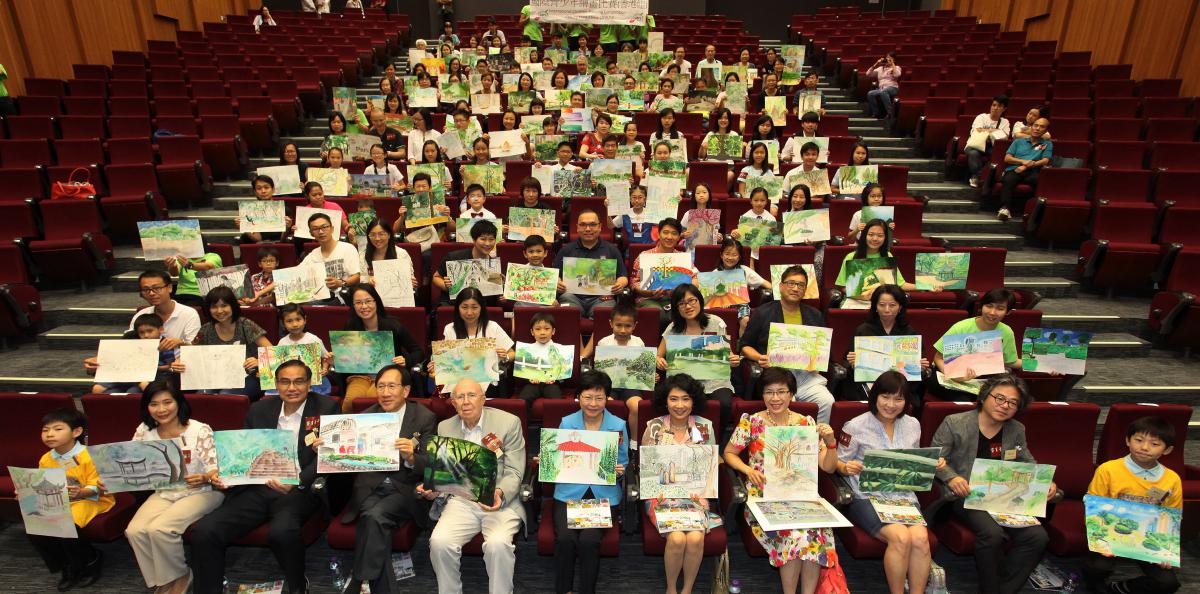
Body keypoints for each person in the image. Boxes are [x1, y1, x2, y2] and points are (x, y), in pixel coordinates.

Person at [191, 360, 338, 594]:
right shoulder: (259, 409)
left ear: (309, 384)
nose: (292, 388)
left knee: (281, 532)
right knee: (205, 531)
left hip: (297, 490)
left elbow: (329, 456)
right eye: (285, 382)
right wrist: (228, 475)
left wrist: (298, 482)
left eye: (299, 381)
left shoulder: (326, 408)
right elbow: (245, 453)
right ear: (276, 384)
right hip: (257, 487)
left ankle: (298, 587)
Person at [929, 374, 1052, 594]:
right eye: (1000, 398)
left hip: (1003, 497)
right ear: (985, 396)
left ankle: (1003, 589)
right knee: (992, 534)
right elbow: (935, 458)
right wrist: (952, 477)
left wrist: (1044, 481)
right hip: (966, 495)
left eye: (1013, 402)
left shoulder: (1016, 429)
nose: (1005, 406)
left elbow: (1027, 462)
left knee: (1037, 537)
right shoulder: (955, 422)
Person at [725, 366, 839, 594]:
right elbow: (729, 453)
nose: (775, 398)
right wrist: (747, 470)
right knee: (794, 536)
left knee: (814, 535)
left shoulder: (806, 424)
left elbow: (827, 466)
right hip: (763, 496)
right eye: (769, 392)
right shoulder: (751, 422)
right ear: (762, 394)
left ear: (791, 394)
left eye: (781, 392)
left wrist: (831, 442)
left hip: (802, 495)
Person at [332, 365, 437, 594]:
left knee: (373, 516)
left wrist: (411, 457)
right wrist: (329, 449)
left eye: (391, 386)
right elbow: (347, 461)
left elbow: (432, 463)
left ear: (405, 390)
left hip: (406, 488)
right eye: (381, 386)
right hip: (371, 486)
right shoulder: (364, 418)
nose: (385, 392)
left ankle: (358, 579)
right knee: (374, 519)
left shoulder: (424, 417)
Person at [111, 383, 222, 594]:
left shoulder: (199, 430)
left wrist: (205, 477)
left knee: (160, 528)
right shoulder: (145, 431)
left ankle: (181, 575)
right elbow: (130, 462)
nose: (161, 409)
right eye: (154, 404)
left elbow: (215, 469)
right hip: (165, 491)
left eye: (167, 402)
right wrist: (113, 478)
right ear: (147, 407)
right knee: (134, 530)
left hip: (202, 491)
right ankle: (164, 578)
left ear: (179, 403)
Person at [834, 371, 938, 594]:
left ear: (906, 401)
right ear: (875, 396)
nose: (891, 405)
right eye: (886, 397)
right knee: (900, 537)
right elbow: (838, 463)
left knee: (920, 538)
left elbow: (913, 461)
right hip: (867, 497)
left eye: (898, 399)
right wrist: (846, 467)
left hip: (903, 496)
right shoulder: (855, 425)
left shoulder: (913, 424)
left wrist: (931, 464)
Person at [422, 378, 526, 594]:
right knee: (440, 542)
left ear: (483, 399)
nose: (466, 402)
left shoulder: (508, 423)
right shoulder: (445, 426)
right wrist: (434, 489)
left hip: (500, 500)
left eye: (471, 395)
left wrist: (499, 493)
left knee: (498, 545)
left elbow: (515, 471)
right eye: (460, 397)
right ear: (453, 403)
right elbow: (446, 473)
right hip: (462, 500)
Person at [1083, 415, 1182, 594]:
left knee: (1168, 583)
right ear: (1128, 440)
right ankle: (1095, 585)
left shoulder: (1172, 479)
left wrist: (1167, 551)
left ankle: (1123, 588)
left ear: (1167, 450)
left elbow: (1171, 517)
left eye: (1154, 444)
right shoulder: (1108, 469)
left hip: (1147, 538)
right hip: (1109, 534)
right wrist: (1101, 541)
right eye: (1139, 440)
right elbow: (1094, 508)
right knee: (1097, 568)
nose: (1144, 447)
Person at [551, 370, 628, 594]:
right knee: (565, 539)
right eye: (587, 397)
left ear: (607, 398)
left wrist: (619, 470)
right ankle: (564, 590)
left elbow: (623, 461)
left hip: (603, 494)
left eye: (599, 398)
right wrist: (550, 461)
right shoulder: (567, 422)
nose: (593, 404)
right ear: (578, 397)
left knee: (588, 541)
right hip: (569, 493)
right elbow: (558, 457)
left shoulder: (618, 425)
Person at [641, 374, 715, 594]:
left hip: (695, 495)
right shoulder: (654, 427)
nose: (680, 405)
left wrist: (703, 490)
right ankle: (671, 588)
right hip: (660, 495)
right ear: (665, 401)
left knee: (695, 538)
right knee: (676, 538)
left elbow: (709, 467)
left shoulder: (703, 427)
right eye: (674, 399)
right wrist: (655, 489)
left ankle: (687, 589)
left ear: (693, 401)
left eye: (685, 399)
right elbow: (645, 467)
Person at [28, 408, 113, 591]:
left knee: (65, 524)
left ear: (76, 432)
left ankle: (89, 562)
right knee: (35, 528)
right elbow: (43, 483)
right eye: (45, 430)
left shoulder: (89, 455)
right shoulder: (46, 458)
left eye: (58, 429)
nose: (49, 434)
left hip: (91, 499)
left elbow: (98, 484)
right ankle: (66, 565)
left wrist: (82, 493)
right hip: (59, 500)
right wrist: (28, 491)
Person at [739, 265, 836, 423]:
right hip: (776, 374)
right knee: (788, 401)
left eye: (800, 285)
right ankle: (790, 436)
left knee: (827, 400)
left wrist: (818, 361)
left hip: (806, 375)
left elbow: (825, 351)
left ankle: (818, 436)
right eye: (791, 283)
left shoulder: (815, 315)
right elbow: (744, 347)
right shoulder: (763, 312)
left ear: (805, 290)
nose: (795, 288)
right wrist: (759, 357)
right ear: (781, 286)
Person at [656, 284, 739, 426]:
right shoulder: (673, 328)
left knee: (724, 403)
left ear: (700, 301)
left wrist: (733, 359)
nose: (687, 306)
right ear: (676, 308)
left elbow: (728, 353)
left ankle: (717, 435)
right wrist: (659, 360)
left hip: (715, 379)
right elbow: (658, 355)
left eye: (691, 300)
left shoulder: (716, 322)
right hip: (684, 381)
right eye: (681, 303)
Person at [170, 286, 270, 399]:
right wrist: (180, 360)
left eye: (224, 305)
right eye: (214, 307)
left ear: (233, 306)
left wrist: (259, 361)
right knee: (202, 395)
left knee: (225, 395)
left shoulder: (246, 325)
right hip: (217, 377)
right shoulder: (206, 329)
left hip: (250, 376)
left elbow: (273, 352)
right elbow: (192, 352)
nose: (219, 311)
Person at [340, 284, 424, 411]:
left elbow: (418, 351)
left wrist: (406, 360)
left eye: (368, 301)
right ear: (353, 305)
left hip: (387, 374)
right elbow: (347, 357)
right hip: (360, 376)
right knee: (350, 401)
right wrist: (337, 358)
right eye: (358, 303)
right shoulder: (350, 326)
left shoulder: (393, 325)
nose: (364, 306)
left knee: (374, 399)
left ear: (376, 302)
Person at [932, 288, 1022, 400]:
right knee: (965, 399)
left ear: (1008, 312)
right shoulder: (961, 327)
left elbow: (1010, 361)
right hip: (947, 372)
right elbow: (938, 358)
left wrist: (1039, 364)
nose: (992, 312)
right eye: (989, 306)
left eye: (1000, 308)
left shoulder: (1006, 332)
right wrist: (954, 375)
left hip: (982, 377)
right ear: (981, 306)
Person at [843, 285, 929, 402]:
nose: (887, 309)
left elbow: (916, 366)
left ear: (900, 307)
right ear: (875, 306)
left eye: (892, 305)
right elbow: (847, 363)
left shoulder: (909, 332)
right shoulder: (863, 330)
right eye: (882, 305)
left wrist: (920, 367)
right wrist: (853, 363)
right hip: (868, 384)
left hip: (900, 386)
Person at [431, 288, 515, 396]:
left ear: (481, 308)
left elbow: (512, 353)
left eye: (474, 307)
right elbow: (446, 360)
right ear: (458, 308)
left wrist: (505, 357)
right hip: (460, 382)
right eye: (464, 307)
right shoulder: (450, 329)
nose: (469, 312)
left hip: (488, 382)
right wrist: (436, 365)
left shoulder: (492, 327)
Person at [552, 210, 630, 318]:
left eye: (593, 224)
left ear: (600, 227)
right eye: (583, 225)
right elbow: (555, 275)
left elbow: (623, 276)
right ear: (577, 227)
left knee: (606, 313)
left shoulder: (612, 250)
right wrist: (558, 282)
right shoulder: (566, 250)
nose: (588, 229)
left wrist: (619, 284)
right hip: (572, 297)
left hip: (602, 298)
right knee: (567, 313)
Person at [834, 220, 924, 309]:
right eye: (871, 234)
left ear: (885, 238)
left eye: (880, 235)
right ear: (864, 236)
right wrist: (862, 296)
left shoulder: (888, 256)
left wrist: (926, 286)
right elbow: (842, 287)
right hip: (856, 303)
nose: (875, 239)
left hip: (882, 305)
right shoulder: (851, 257)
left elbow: (901, 284)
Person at [88, 313, 174, 394]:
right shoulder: (135, 344)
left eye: (150, 331)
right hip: (131, 374)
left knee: (133, 391)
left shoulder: (165, 345)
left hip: (153, 376)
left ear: (161, 329)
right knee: (102, 389)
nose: (146, 335)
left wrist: (154, 368)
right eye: (142, 333)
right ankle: (105, 385)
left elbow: (170, 366)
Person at [124, 269, 202, 351]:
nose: (151, 293)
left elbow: (195, 348)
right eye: (146, 289)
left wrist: (181, 343)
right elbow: (128, 343)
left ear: (169, 288)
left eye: (157, 288)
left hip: (180, 358)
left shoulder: (189, 314)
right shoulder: (141, 314)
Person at [631, 217, 695, 312]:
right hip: (648, 299)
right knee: (656, 311)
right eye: (665, 232)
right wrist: (649, 292)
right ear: (659, 234)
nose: (669, 237)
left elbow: (695, 279)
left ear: (679, 237)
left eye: (674, 233)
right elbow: (634, 283)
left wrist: (682, 290)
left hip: (676, 299)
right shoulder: (645, 256)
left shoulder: (682, 258)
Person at [996, 116, 1052, 222]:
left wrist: (1027, 166)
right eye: (1035, 125)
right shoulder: (1018, 141)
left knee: (1043, 182)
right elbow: (1007, 158)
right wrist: (1022, 162)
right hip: (1016, 169)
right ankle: (1005, 208)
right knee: (1008, 180)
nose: (1037, 128)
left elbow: (1045, 161)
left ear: (1046, 130)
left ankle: (1034, 214)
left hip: (1033, 171)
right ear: (1031, 127)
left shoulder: (1047, 144)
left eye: (1042, 127)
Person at [300, 212, 362, 304]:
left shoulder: (347, 248)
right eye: (315, 229)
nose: (321, 232)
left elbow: (357, 277)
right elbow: (296, 274)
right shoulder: (312, 256)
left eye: (324, 227)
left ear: (332, 229)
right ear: (311, 233)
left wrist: (340, 283)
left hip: (342, 298)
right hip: (319, 298)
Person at [711, 237, 769, 335]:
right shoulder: (715, 273)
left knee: (745, 320)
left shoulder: (744, 270)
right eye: (727, 254)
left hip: (741, 304)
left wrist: (779, 289)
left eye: (734, 255)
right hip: (720, 304)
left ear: (739, 257)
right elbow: (710, 295)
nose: (730, 257)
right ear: (721, 255)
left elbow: (764, 283)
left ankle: (742, 343)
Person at [434, 218, 500, 305]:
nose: (487, 243)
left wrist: (501, 295)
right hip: (453, 305)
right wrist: (446, 286)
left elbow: (494, 297)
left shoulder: (494, 266)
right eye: (483, 239)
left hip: (480, 308)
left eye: (491, 239)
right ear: (473, 240)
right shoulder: (454, 257)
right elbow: (436, 277)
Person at [274, 304, 333, 396]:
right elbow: (277, 364)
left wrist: (324, 369)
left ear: (305, 319)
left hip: (314, 383)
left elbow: (325, 358)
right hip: (292, 383)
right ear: (283, 323)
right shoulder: (282, 342)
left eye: (298, 319)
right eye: (289, 321)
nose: (295, 324)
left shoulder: (313, 339)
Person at [516, 311, 569, 403]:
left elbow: (564, 372)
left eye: (547, 328)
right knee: (522, 401)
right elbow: (521, 372)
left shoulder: (560, 350)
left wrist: (556, 379)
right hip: (532, 384)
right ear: (532, 332)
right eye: (538, 329)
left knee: (557, 401)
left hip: (551, 384)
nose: (542, 332)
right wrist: (529, 378)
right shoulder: (526, 350)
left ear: (553, 331)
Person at [965, 96, 1012, 188]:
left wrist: (985, 131)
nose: (995, 108)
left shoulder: (1005, 122)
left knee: (998, 156)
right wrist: (996, 131)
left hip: (992, 146)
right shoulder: (981, 117)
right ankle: (978, 177)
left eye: (999, 106)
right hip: (975, 145)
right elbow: (977, 131)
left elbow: (1005, 137)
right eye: (994, 105)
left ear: (1004, 109)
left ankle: (991, 178)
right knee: (974, 153)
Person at [237, 175, 294, 243]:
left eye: (266, 187)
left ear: (273, 189)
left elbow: (282, 240)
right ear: (255, 191)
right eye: (259, 188)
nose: (263, 191)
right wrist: (244, 227)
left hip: (279, 244)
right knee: (244, 237)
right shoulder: (249, 211)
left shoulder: (285, 210)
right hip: (259, 245)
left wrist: (287, 227)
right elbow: (258, 239)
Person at [728, 187, 775, 262]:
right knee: (749, 257)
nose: (759, 203)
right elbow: (740, 238)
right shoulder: (745, 217)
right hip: (748, 251)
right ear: (751, 201)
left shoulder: (771, 218)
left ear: (766, 201)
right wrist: (736, 234)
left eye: (762, 200)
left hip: (765, 252)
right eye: (756, 200)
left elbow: (773, 240)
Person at [609, 184, 656, 256]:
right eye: (634, 197)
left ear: (645, 199)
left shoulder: (651, 213)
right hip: (631, 252)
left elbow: (664, 224)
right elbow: (610, 226)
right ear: (630, 198)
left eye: (640, 197)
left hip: (648, 252)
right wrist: (608, 209)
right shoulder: (624, 214)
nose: (637, 200)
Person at [865, 52, 901, 119]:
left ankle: (890, 113)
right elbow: (868, 74)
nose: (888, 60)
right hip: (881, 89)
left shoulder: (896, 67)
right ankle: (876, 113)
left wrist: (892, 64)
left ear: (894, 60)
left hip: (893, 88)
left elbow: (897, 75)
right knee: (870, 93)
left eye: (890, 58)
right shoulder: (880, 68)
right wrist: (876, 63)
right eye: (887, 58)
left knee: (884, 91)